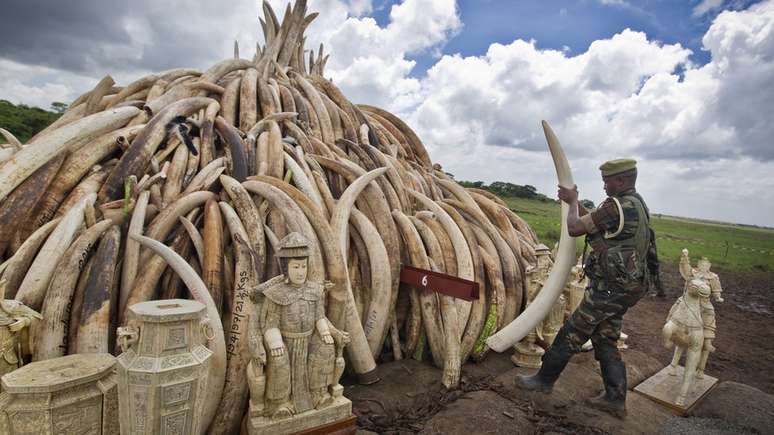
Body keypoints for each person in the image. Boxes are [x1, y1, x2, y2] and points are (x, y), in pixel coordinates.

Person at [515, 158, 659, 418]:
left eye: (608, 181)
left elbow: (574, 228)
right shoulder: (636, 204)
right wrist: (574, 202)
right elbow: (590, 221)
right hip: (627, 286)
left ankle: (543, 381)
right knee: (605, 337)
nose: (604, 185)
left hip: (610, 288)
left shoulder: (616, 206)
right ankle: (615, 399)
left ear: (623, 180)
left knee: (572, 331)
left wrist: (571, 202)